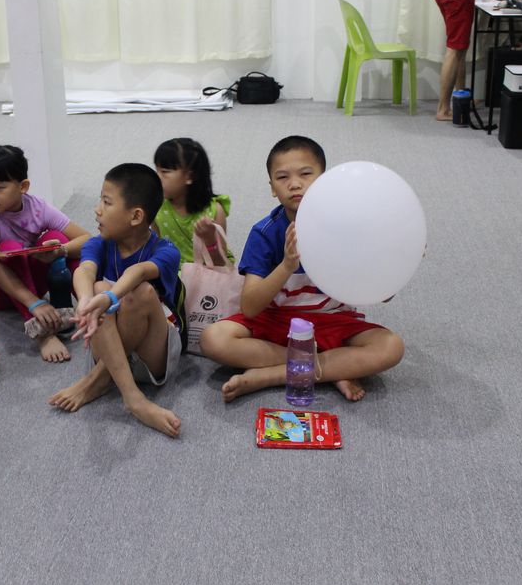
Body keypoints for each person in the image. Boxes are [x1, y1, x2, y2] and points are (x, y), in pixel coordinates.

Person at [199, 136, 404, 403]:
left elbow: (382, 295)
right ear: (272, 187)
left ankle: (270, 375)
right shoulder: (264, 233)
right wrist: (286, 266)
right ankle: (334, 368)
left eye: (305, 174)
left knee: (391, 346)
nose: (294, 184)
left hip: (332, 319)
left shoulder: (348, 227)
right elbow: (249, 307)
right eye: (282, 177)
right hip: (277, 321)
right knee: (213, 339)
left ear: (325, 179)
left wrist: (397, 262)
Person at [48, 163, 183, 438]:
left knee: (140, 292)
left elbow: (138, 272)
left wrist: (108, 297)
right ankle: (130, 396)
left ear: (136, 216)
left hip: (150, 356)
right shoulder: (97, 243)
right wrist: (86, 301)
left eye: (106, 202)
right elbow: (84, 270)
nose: (97, 209)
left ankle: (101, 381)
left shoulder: (166, 250)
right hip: (108, 349)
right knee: (96, 286)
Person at [0, 145, 91, 363]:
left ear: (23, 186)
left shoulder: (38, 208)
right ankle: (43, 333)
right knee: (9, 248)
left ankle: (88, 306)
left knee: (56, 238)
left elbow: (87, 240)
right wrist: (35, 303)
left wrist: (60, 250)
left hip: (28, 279)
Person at [152, 137, 234, 267]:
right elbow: (157, 250)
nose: (157, 177)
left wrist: (210, 240)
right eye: (156, 170)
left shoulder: (214, 210)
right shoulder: (156, 206)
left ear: (190, 176)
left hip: (207, 273)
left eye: (165, 172)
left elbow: (220, 264)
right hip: (172, 273)